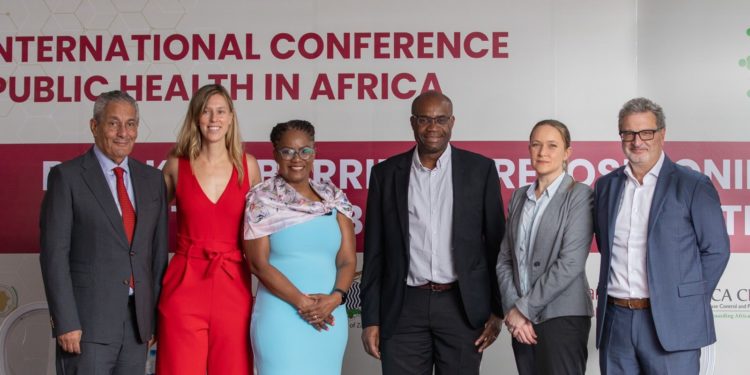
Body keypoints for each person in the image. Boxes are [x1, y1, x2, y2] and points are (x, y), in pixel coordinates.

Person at [360, 90, 504, 374]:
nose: (433, 127)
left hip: (462, 307)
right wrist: (370, 319)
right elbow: (375, 252)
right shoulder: (385, 175)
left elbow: (496, 244)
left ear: (452, 122)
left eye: (440, 119)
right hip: (403, 307)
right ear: (413, 122)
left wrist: (497, 310)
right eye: (425, 119)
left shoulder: (480, 170)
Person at [594, 98, 730, 374]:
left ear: (662, 134)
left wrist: (684, 299)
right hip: (616, 322)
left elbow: (716, 251)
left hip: (672, 323)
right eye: (628, 133)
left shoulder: (692, 184)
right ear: (620, 136)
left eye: (646, 132)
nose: (637, 141)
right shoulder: (606, 186)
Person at [39, 90, 168, 374]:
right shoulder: (67, 177)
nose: (124, 132)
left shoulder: (152, 179)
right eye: (114, 123)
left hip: (137, 326)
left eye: (131, 123)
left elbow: (157, 256)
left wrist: (154, 319)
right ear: (94, 126)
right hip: (86, 326)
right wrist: (66, 321)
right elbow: (54, 256)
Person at [156, 84, 261, 375]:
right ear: (195, 117)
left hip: (233, 284)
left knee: (233, 369)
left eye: (220, 111)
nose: (213, 118)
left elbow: (261, 232)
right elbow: (148, 225)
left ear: (230, 117)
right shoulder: (176, 165)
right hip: (184, 284)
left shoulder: (248, 166)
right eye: (205, 111)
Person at [244, 120, 356, 375]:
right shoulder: (261, 198)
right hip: (281, 318)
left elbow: (347, 260)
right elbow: (258, 264)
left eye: (305, 150)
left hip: (330, 316)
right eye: (288, 151)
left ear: (314, 153)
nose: (297, 158)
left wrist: (336, 298)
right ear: (275, 154)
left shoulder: (334, 198)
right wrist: (304, 304)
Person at [496, 120, 593, 375]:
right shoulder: (519, 196)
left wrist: (523, 309)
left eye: (552, 145)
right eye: (536, 145)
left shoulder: (579, 194)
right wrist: (512, 310)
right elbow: (505, 260)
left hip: (562, 318)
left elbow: (570, 263)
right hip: (521, 321)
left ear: (567, 152)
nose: (542, 152)